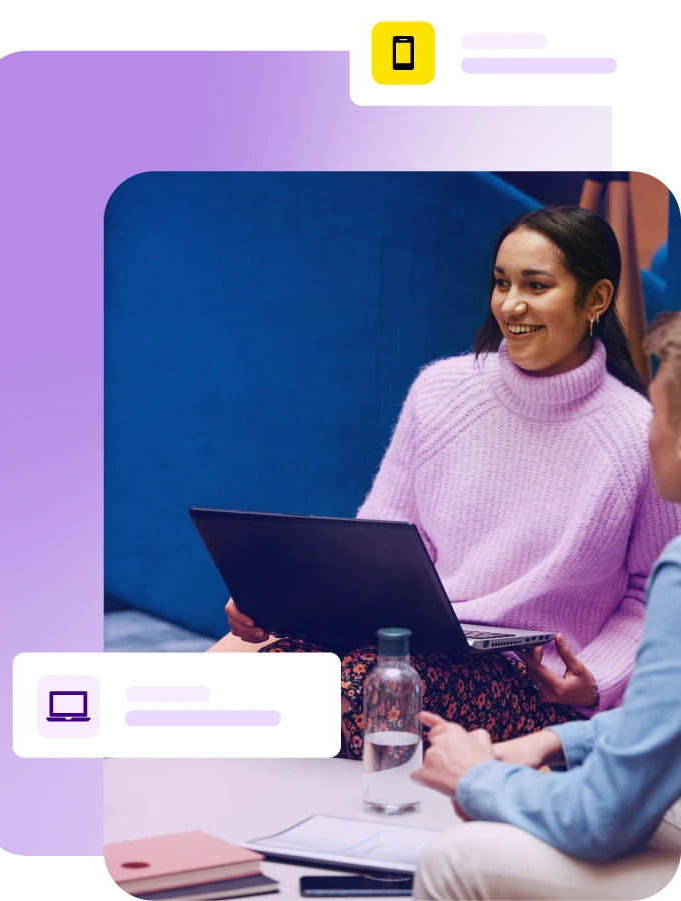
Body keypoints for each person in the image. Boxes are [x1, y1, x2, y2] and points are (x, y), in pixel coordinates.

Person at [208, 206, 681, 760]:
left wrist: (597, 679)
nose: (511, 304)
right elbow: (377, 544)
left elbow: (653, 591)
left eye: (536, 285)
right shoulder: (441, 391)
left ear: (597, 299)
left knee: (338, 695)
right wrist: (278, 602)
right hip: (406, 639)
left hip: (528, 680)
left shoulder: (636, 435)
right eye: (501, 283)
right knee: (237, 684)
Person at [410, 311, 681, 901]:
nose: (649, 430)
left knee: (455, 857)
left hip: (528, 688)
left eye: (659, 414)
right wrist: (559, 744)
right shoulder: (443, 391)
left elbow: (601, 818)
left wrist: (480, 779)